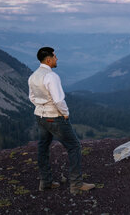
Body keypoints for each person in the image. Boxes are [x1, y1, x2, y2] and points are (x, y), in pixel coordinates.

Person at [28, 47, 95, 193]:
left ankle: (45, 182)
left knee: (43, 147)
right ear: (49, 59)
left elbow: (32, 98)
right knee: (74, 146)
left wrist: (42, 107)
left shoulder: (33, 76)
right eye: (55, 56)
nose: (57, 59)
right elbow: (58, 100)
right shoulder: (51, 76)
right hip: (54, 117)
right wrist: (65, 113)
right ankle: (76, 184)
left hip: (40, 116)